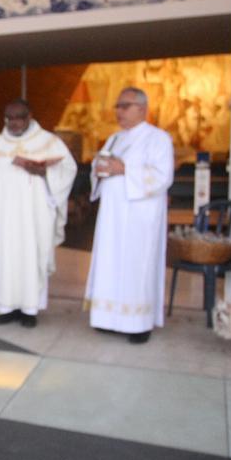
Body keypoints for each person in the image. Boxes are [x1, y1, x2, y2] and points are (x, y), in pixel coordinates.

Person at [0, 99, 77, 327]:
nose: (14, 123)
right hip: (4, 217)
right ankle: (6, 308)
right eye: (9, 118)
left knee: (33, 256)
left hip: (35, 215)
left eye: (19, 117)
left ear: (30, 116)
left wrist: (43, 173)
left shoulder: (49, 142)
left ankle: (30, 310)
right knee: (6, 257)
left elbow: (69, 169)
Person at [85, 87, 174, 344]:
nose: (119, 111)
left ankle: (138, 323)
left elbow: (162, 176)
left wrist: (123, 168)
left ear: (143, 109)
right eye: (117, 106)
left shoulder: (158, 139)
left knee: (137, 266)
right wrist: (98, 168)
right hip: (112, 214)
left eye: (125, 105)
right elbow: (101, 165)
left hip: (140, 217)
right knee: (109, 262)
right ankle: (107, 317)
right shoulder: (114, 138)